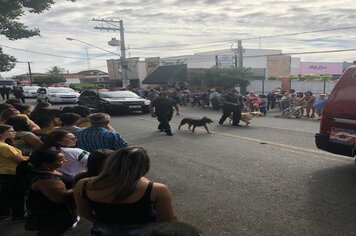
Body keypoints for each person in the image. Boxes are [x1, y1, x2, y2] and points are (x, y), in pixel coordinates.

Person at [74, 147, 177, 236]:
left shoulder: (83, 184)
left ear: (111, 162)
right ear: (144, 167)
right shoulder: (156, 189)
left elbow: (84, 212)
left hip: (104, 230)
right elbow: (168, 219)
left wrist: (104, 222)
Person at [23, 150, 77, 235]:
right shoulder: (46, 180)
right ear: (46, 165)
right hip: (53, 216)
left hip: (47, 214)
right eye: (60, 160)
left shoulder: (39, 170)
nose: (65, 161)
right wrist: (78, 187)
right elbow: (61, 197)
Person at [0, 124, 29, 221]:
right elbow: (19, 160)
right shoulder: (4, 147)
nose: (14, 132)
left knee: (5, 196)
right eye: (11, 131)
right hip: (10, 174)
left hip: (3, 173)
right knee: (16, 196)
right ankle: (18, 215)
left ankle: (4, 214)